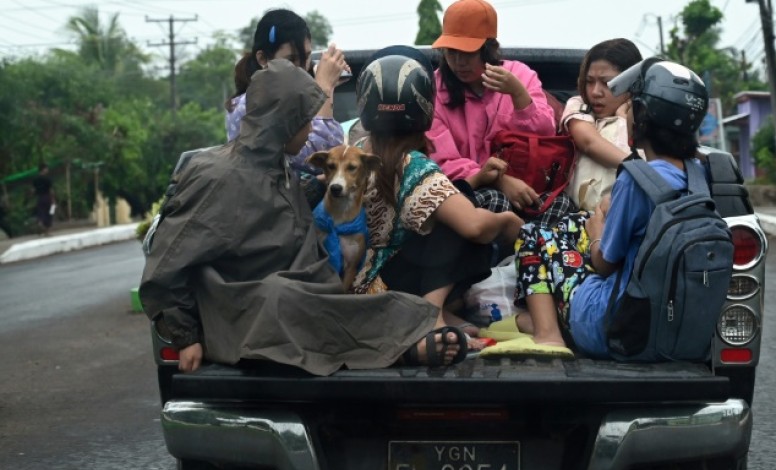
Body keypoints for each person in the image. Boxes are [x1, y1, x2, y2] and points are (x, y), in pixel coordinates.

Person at [140, 59, 455, 376]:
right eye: (305, 120)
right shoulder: (217, 176)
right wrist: (186, 338)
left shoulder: (282, 172)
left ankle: (409, 334)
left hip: (300, 296)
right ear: (284, 122)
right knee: (285, 298)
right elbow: (167, 265)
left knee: (381, 303)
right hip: (247, 310)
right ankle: (398, 352)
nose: (310, 130)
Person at [480, 58, 710, 359]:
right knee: (573, 225)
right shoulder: (700, 175)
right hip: (672, 328)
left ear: (641, 117)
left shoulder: (637, 179)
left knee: (536, 235)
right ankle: (535, 323)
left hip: (611, 327)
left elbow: (604, 263)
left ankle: (547, 334)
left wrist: (597, 227)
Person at [350, 53, 524, 359]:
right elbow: (474, 227)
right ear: (425, 107)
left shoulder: (356, 157)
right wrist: (508, 220)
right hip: (392, 287)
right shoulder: (412, 165)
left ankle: (442, 313)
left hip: (363, 285)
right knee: (468, 219)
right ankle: (432, 316)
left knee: (455, 200)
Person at [427, 0, 573, 227]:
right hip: (471, 191)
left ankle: (531, 255)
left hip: (530, 186)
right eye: (451, 52)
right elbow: (442, 161)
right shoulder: (434, 89)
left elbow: (546, 131)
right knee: (495, 203)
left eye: (467, 52)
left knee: (563, 206)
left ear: (489, 48)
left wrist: (518, 94)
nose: (458, 62)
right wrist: (499, 181)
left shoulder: (519, 75)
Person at [224, 9, 347, 177]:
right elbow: (323, 157)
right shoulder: (251, 105)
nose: (303, 69)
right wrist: (323, 89)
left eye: (307, 57)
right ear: (263, 59)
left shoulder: (288, 98)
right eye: (291, 60)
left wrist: (324, 89)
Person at [562, 38, 643, 211]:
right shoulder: (578, 106)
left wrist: (623, 120)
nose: (595, 92)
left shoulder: (644, 116)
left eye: (607, 83)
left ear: (632, 83)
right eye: (589, 81)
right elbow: (589, 143)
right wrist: (641, 171)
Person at [33, 163, 55, 236]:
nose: (47, 170)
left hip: (39, 198)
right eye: (47, 169)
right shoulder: (47, 179)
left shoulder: (35, 179)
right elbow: (51, 190)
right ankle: (47, 231)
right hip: (47, 197)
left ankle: (40, 222)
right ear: (44, 169)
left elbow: (33, 190)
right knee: (50, 212)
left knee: (41, 212)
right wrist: (53, 199)